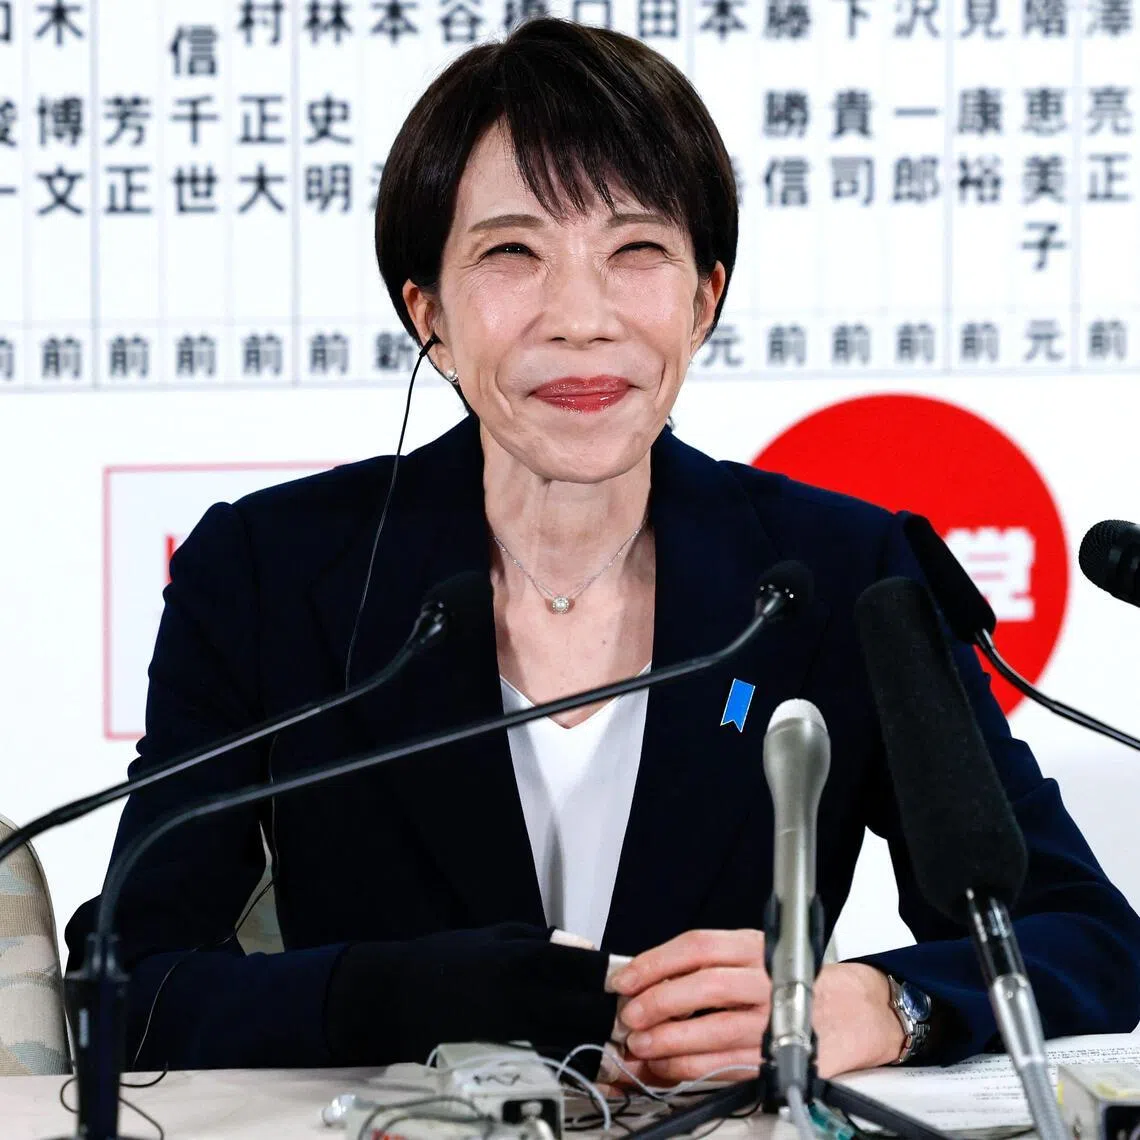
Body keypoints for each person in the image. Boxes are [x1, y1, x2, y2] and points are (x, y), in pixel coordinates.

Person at [67, 16, 1140, 1083]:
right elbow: (131, 988)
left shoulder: (841, 572)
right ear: (427, 309)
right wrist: (397, 996)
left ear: (704, 297)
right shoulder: (269, 572)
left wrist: (877, 1003)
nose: (580, 318)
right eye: (512, 253)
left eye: (636, 250)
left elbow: (1088, 938)